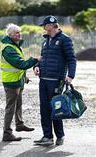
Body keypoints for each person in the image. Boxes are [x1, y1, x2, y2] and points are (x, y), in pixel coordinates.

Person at [33, 15, 76, 146]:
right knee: (44, 108)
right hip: (43, 80)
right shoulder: (45, 41)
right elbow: (42, 58)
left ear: (51, 25)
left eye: (45, 26)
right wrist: (36, 67)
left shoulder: (65, 40)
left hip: (56, 81)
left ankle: (60, 136)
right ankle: (47, 137)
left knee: (56, 108)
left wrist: (71, 76)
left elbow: (71, 59)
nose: (44, 28)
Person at [0, 23, 41, 142]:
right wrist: (35, 60)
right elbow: (20, 64)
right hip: (11, 82)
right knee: (10, 108)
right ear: (10, 35)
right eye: (16, 32)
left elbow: (19, 66)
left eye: (20, 32)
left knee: (18, 104)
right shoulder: (8, 48)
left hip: (18, 80)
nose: (19, 34)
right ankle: (7, 133)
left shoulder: (15, 46)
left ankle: (19, 124)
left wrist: (24, 76)